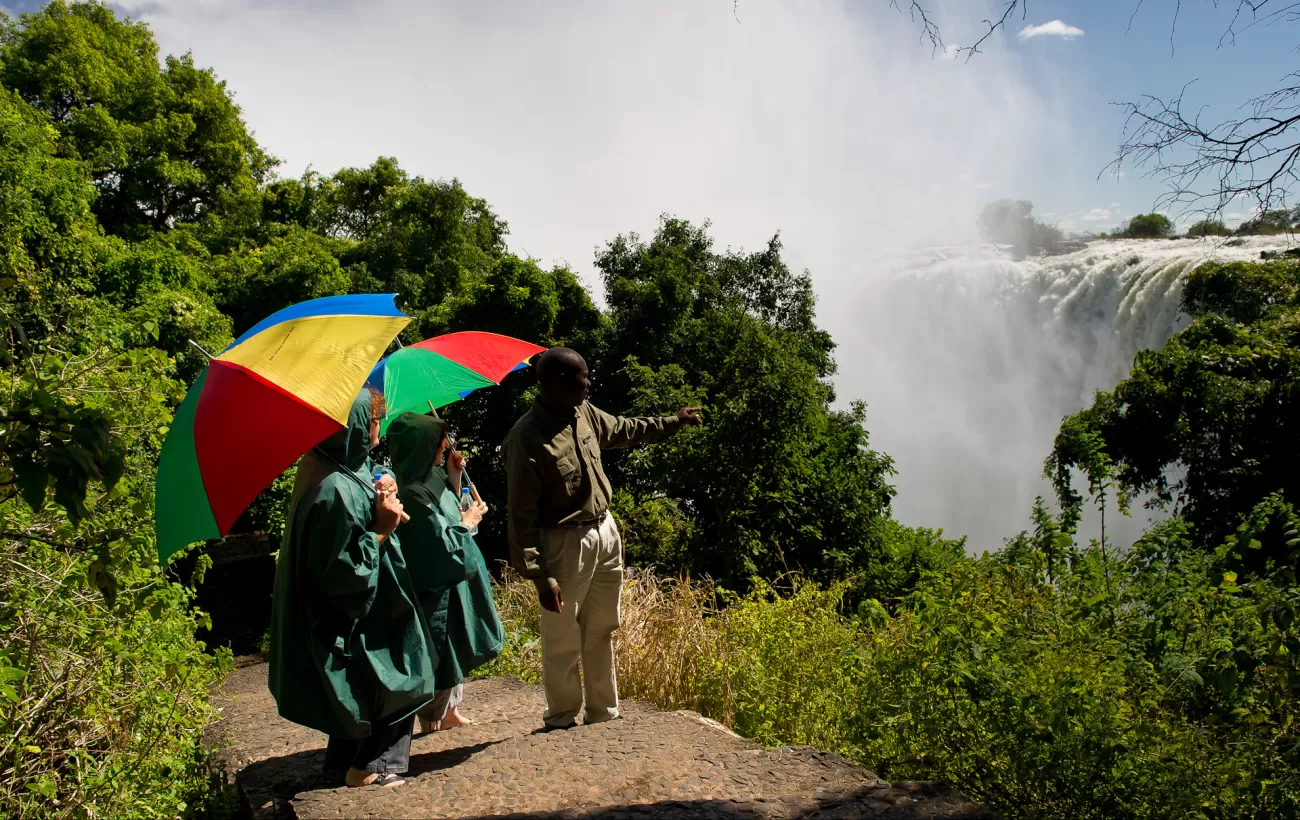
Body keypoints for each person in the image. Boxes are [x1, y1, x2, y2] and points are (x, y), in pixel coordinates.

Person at [502, 347, 703, 729]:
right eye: (584, 378)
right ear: (559, 383)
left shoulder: (583, 412)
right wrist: (540, 576)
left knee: (602, 626)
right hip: (563, 543)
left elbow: (624, 429)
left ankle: (603, 714)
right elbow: (521, 518)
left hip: (605, 532)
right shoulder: (526, 439)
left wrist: (672, 422)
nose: (589, 383)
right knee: (562, 636)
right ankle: (561, 716)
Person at [267, 388, 435, 789]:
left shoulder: (329, 466)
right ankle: (374, 767)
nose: (378, 428)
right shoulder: (334, 491)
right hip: (362, 613)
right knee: (402, 677)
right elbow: (346, 574)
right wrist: (382, 528)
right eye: (373, 420)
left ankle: (342, 761)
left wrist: (381, 491)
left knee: (362, 686)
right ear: (356, 425)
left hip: (367, 606)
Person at [386, 410, 505, 735]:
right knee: (440, 648)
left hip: (451, 580)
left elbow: (447, 512)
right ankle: (432, 715)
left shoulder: (429, 477)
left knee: (454, 645)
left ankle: (449, 709)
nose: (444, 449)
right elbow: (439, 543)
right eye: (438, 445)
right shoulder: (411, 492)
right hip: (435, 586)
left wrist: (453, 478)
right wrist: (467, 523)